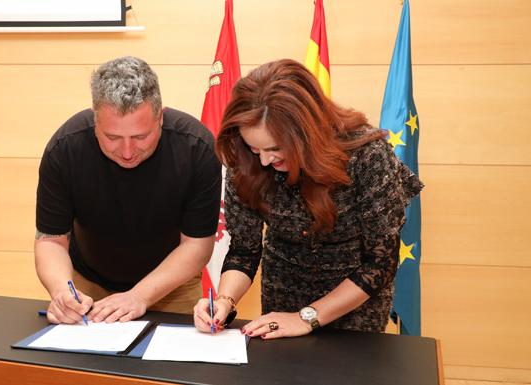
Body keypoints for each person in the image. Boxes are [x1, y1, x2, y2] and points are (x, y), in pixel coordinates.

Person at [193, 59, 423, 339]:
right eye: (256, 149)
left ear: (307, 134)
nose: (264, 160)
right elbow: (245, 250)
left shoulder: (366, 155)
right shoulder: (246, 161)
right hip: (279, 309)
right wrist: (225, 302)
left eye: (276, 148)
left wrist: (307, 317)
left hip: (354, 314)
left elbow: (379, 262)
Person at [35, 56, 222, 325]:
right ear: (95, 120)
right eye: (112, 137)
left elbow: (197, 245)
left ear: (161, 117)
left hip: (171, 287)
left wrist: (139, 296)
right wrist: (63, 293)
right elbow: (51, 240)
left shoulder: (197, 149)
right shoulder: (66, 148)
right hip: (88, 288)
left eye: (140, 137)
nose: (127, 151)